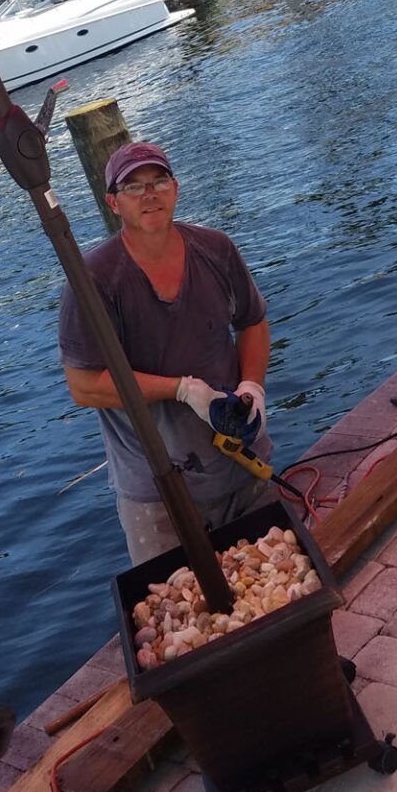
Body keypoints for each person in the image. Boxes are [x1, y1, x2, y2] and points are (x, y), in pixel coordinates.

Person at [58, 140, 274, 562]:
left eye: (158, 181)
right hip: (156, 495)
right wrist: (181, 390)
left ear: (175, 188)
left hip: (243, 465)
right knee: (178, 615)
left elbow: (252, 322)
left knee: (279, 585)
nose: (149, 194)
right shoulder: (91, 281)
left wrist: (254, 385)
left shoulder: (216, 248)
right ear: (113, 203)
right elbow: (85, 387)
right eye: (134, 187)